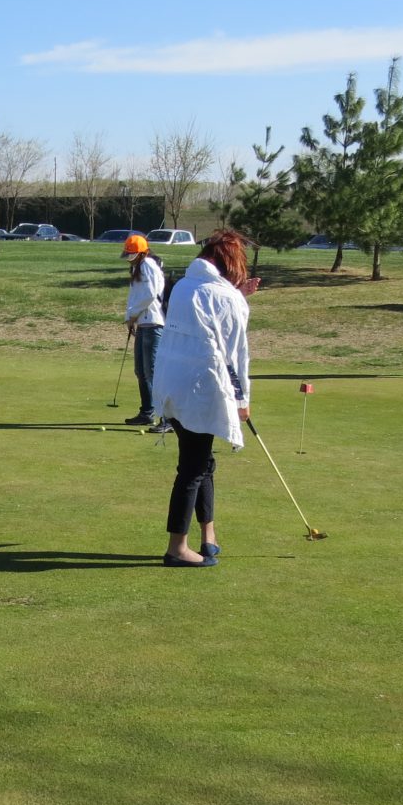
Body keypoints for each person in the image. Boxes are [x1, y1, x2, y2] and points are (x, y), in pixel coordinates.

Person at [151, 229, 261, 568]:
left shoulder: (184, 284)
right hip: (201, 388)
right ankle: (177, 548)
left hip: (172, 387)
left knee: (202, 463)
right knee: (193, 468)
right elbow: (235, 352)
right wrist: (242, 399)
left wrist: (237, 295)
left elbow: (210, 322)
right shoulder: (225, 296)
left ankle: (207, 536)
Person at [120, 233, 169, 432]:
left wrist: (133, 315)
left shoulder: (148, 265)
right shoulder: (138, 266)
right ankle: (147, 412)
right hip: (143, 323)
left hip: (153, 324)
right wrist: (130, 318)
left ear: (141, 252)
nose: (130, 257)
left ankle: (166, 418)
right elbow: (135, 296)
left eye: (132, 253)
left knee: (153, 372)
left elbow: (150, 294)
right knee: (141, 371)